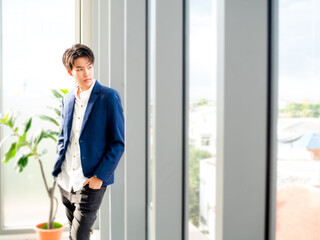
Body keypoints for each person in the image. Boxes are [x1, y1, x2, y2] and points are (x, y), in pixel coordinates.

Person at [52, 44, 125, 240]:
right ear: (70, 71)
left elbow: (117, 142)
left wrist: (99, 178)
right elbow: (64, 137)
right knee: (72, 232)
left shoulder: (108, 97)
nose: (87, 72)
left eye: (89, 66)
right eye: (80, 69)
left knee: (78, 236)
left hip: (90, 181)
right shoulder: (67, 99)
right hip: (67, 180)